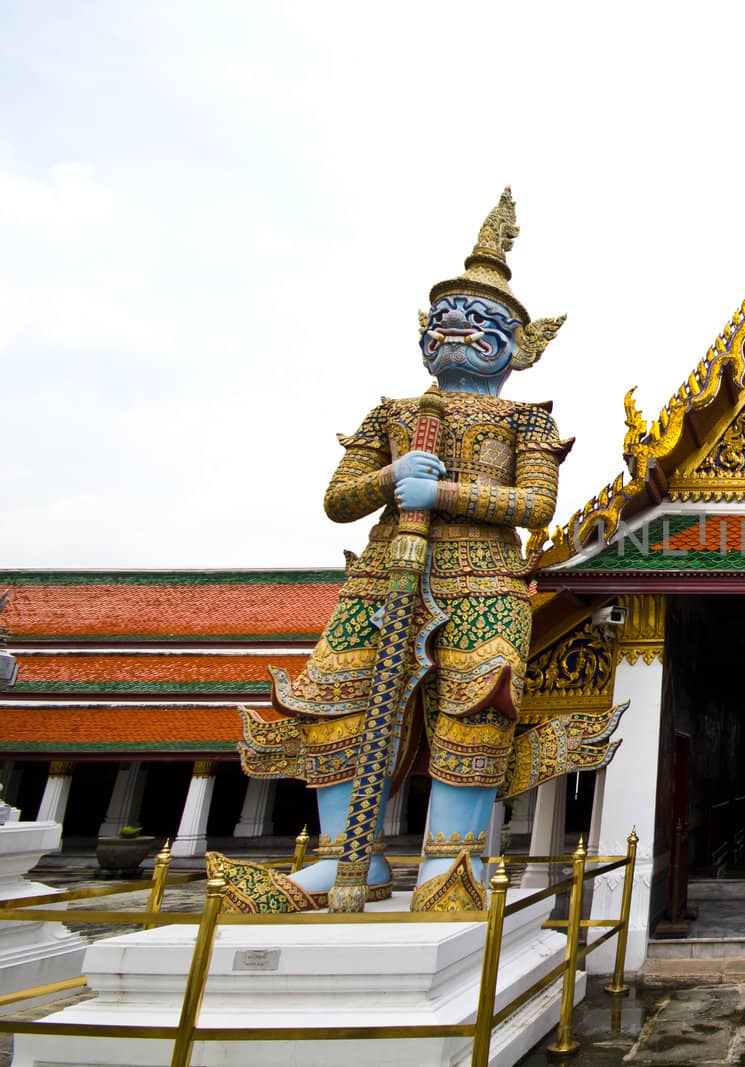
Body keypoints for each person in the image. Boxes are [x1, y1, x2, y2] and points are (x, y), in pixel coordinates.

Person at [210, 189, 621, 913]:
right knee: (339, 698)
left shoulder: (528, 420)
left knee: (476, 706)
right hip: (382, 573)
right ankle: (345, 858)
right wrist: (392, 477)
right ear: (425, 334)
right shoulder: (392, 414)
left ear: (518, 348)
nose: (458, 327)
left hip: (486, 580)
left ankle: (449, 862)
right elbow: (338, 499)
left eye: (481, 320)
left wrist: (444, 495)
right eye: (444, 318)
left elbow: (536, 508)